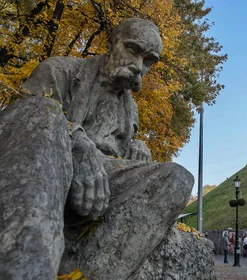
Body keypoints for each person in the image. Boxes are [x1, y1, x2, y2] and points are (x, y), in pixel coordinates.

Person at [0, 18, 194, 279]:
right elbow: (25, 121)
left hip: (104, 177)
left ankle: (87, 274)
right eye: (133, 50)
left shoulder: (131, 109)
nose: (138, 66)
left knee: (177, 177)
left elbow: (118, 153)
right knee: (43, 109)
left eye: (148, 61)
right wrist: (78, 144)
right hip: (55, 159)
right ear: (111, 43)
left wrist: (137, 149)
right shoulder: (58, 71)